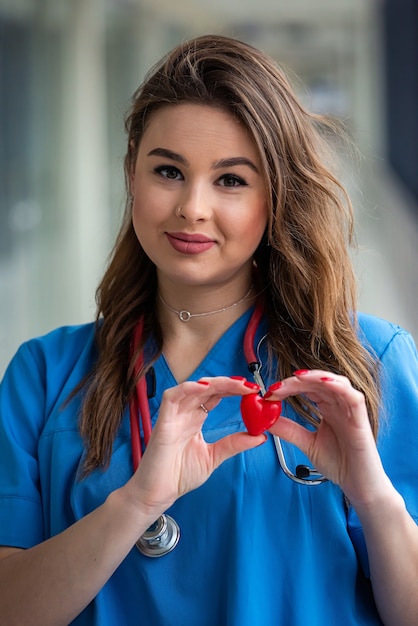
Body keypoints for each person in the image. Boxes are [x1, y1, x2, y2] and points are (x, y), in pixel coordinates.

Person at [0, 34, 417, 626]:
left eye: (231, 180)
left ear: (277, 197)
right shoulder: (43, 376)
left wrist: (373, 499)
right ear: (131, 175)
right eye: (168, 170)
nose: (192, 207)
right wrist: (137, 502)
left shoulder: (369, 364)